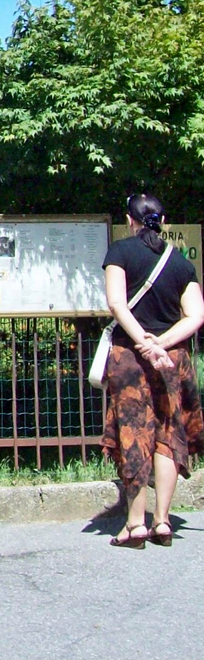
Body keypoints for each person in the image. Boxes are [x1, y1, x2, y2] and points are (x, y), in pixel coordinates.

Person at [102, 193, 204, 547]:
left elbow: (116, 303)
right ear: (163, 221)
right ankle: (162, 521)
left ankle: (135, 524)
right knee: (167, 435)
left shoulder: (120, 253)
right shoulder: (180, 263)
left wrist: (142, 343)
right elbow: (196, 315)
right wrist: (161, 344)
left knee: (134, 434)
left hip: (129, 357)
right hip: (173, 359)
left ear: (130, 220)